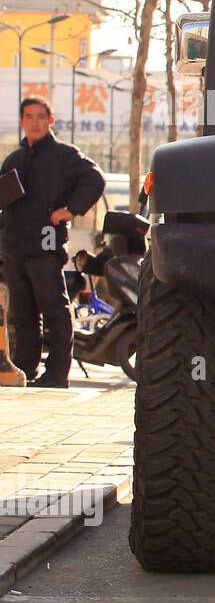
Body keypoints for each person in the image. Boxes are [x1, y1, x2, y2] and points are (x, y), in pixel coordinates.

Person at [0, 97, 106, 388]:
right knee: (22, 315)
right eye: (29, 117)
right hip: (15, 249)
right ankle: (24, 368)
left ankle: (57, 374)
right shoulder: (13, 160)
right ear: (21, 121)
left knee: (55, 310)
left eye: (40, 117)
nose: (34, 122)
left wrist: (70, 209)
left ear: (51, 121)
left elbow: (95, 179)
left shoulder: (64, 155)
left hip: (46, 248)